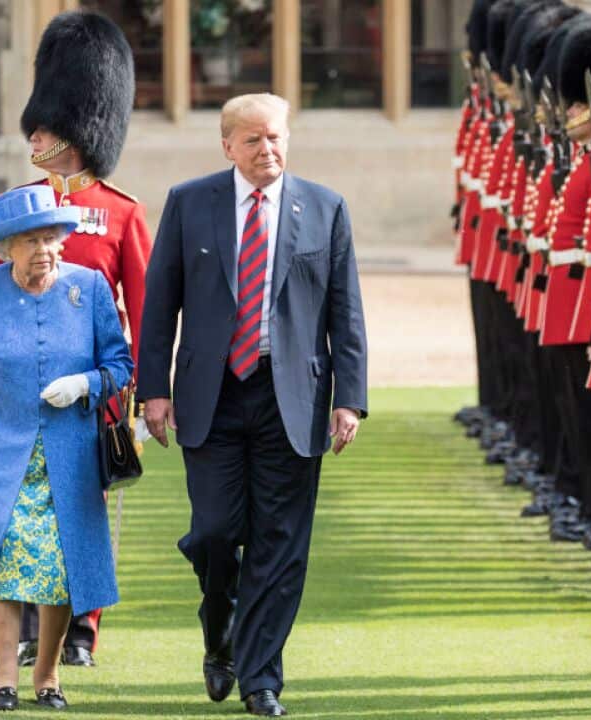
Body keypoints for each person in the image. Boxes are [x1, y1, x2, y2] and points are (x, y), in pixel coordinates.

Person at [138, 93, 368, 717]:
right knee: (215, 533)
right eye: (253, 141)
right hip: (210, 395)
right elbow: (160, 304)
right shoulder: (191, 203)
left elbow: (345, 314)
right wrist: (151, 390)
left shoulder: (324, 208)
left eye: (276, 138)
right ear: (227, 146)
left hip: (291, 396)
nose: (267, 150)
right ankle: (222, 633)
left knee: (280, 542)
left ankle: (261, 677)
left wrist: (349, 399)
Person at [0, 8, 148, 670]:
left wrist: (141, 391)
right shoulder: (15, 207)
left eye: (47, 126)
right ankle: (21, 629)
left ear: (78, 130)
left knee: (82, 513)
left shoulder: (122, 213)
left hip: (88, 396)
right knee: (19, 509)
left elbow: (146, 309)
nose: (35, 134)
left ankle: (81, 629)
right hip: (18, 389)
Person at [0, 185, 133, 711]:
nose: (45, 249)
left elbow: (120, 366)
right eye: (31, 240)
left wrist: (85, 385)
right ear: (6, 249)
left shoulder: (89, 288)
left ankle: (47, 676)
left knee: (59, 567)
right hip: (1, 454)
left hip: (69, 455)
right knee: (4, 562)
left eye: (51, 237)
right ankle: (4, 678)